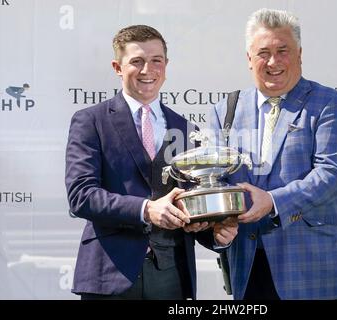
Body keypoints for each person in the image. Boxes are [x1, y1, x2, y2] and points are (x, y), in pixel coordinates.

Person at [65, 24, 237, 300]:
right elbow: (81, 195)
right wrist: (146, 209)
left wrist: (215, 233)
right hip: (109, 273)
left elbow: (189, 206)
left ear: (166, 65)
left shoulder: (185, 128)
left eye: (156, 60)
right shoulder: (91, 121)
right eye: (137, 61)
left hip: (172, 277)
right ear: (117, 67)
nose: (148, 70)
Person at [209, 8, 337, 300]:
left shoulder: (329, 103)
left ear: (299, 54)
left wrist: (272, 201)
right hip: (248, 271)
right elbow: (217, 183)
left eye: (283, 50)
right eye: (263, 52)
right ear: (249, 59)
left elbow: (332, 174)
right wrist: (218, 222)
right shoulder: (224, 111)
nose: (273, 61)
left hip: (316, 271)